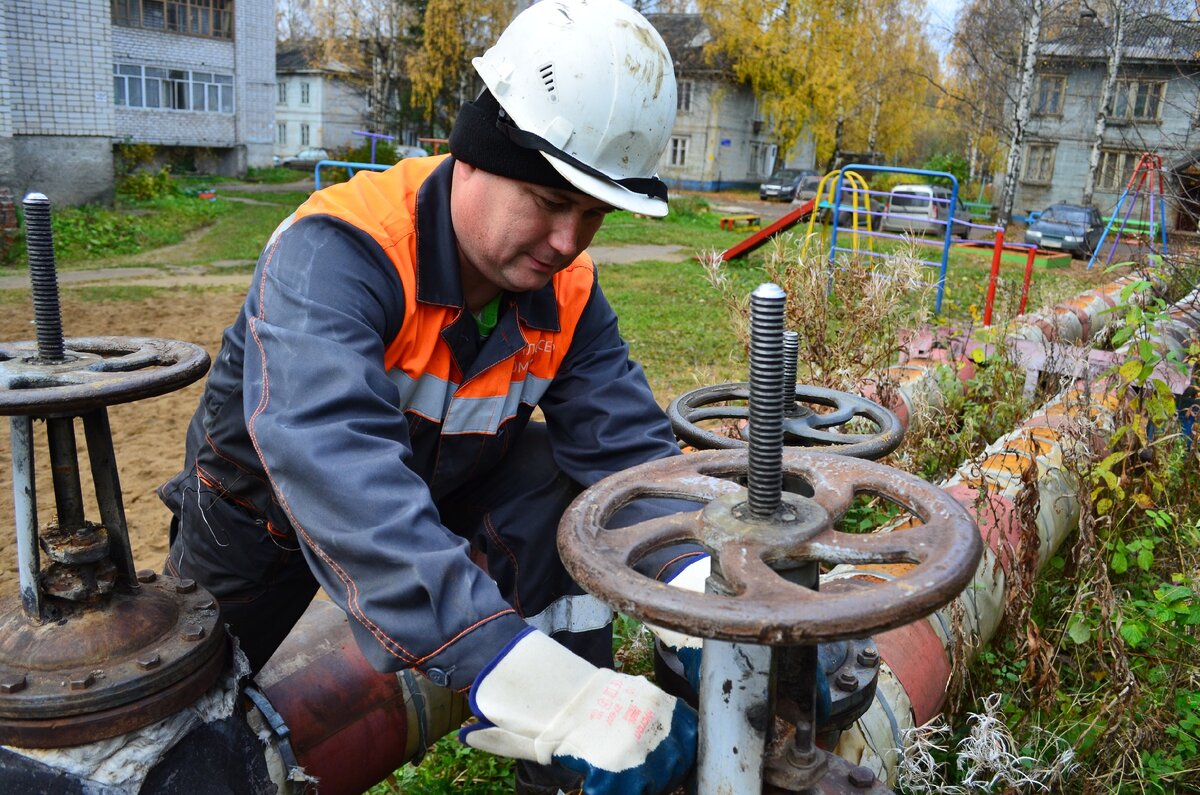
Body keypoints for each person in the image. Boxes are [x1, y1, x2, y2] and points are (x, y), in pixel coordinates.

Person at [158, 1, 702, 793]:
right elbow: (344, 479)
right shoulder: (338, 255)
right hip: (259, 517)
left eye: (593, 214)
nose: (567, 241)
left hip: (442, 486)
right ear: (474, 153)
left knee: (562, 480)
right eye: (550, 203)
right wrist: (510, 669)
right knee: (193, 730)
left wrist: (704, 592)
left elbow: (633, 459)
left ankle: (570, 763)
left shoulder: (569, 293)